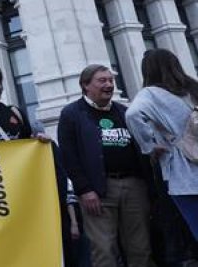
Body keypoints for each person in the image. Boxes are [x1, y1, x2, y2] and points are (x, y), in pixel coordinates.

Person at [59, 64, 153, 267]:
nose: (109, 85)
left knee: (141, 247)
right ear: (85, 85)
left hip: (134, 187)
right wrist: (84, 190)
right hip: (98, 191)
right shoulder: (71, 114)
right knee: (103, 250)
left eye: (110, 80)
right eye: (102, 81)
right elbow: (68, 156)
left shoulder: (124, 112)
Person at [127, 49, 198, 240]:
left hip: (184, 173)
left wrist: (149, 145)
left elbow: (132, 114)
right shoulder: (192, 87)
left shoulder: (150, 94)